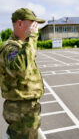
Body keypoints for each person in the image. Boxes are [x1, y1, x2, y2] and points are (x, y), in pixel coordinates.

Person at [0, 8, 45, 139]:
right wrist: (32, 36)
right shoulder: (9, 47)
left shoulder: (21, 45)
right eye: (32, 23)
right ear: (19, 24)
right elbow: (21, 69)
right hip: (21, 111)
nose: (35, 27)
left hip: (26, 109)